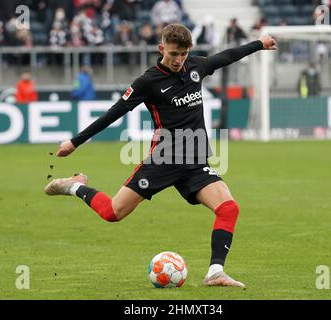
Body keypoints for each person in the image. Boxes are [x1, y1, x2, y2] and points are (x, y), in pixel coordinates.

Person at [45, 24, 276, 287]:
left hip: (193, 163)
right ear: (161, 48)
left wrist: (259, 43)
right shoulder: (148, 82)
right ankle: (74, 186)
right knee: (112, 213)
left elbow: (226, 57)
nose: (179, 60)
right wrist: (75, 142)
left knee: (228, 207)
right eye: (175, 54)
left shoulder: (195, 67)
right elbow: (114, 112)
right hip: (162, 161)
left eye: (184, 54)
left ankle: (215, 272)